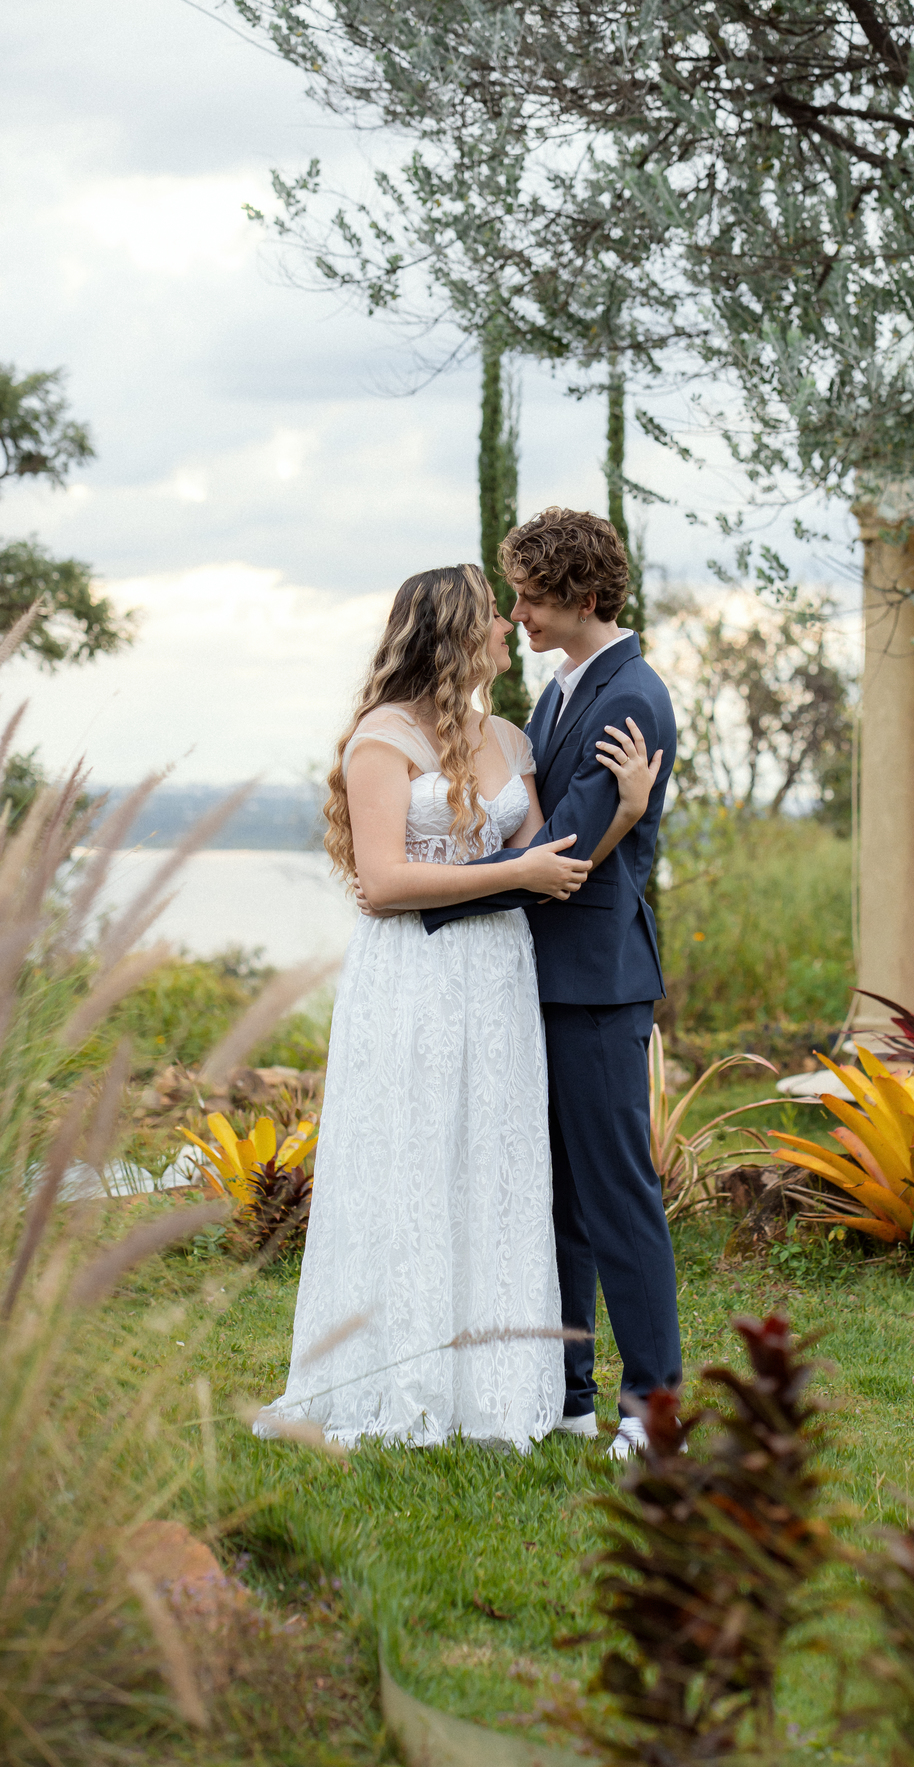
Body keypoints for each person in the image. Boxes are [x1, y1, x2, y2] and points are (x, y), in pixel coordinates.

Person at [256, 562, 659, 1452]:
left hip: (499, 976)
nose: (509, 625)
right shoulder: (383, 738)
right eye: (493, 615)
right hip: (413, 974)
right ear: (454, 632)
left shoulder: (510, 738)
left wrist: (626, 813)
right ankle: (400, 1376)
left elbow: (554, 864)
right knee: (412, 1157)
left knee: (496, 1161)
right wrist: (510, 872)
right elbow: (384, 882)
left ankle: (496, 1385)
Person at [419, 509, 681, 1459]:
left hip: (597, 984)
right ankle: (569, 1395)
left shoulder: (631, 696)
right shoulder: (562, 690)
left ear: (584, 595)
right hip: (541, 975)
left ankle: (652, 1412)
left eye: (531, 597)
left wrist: (424, 902)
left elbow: (561, 852)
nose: (517, 613)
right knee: (556, 1198)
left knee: (615, 1196)